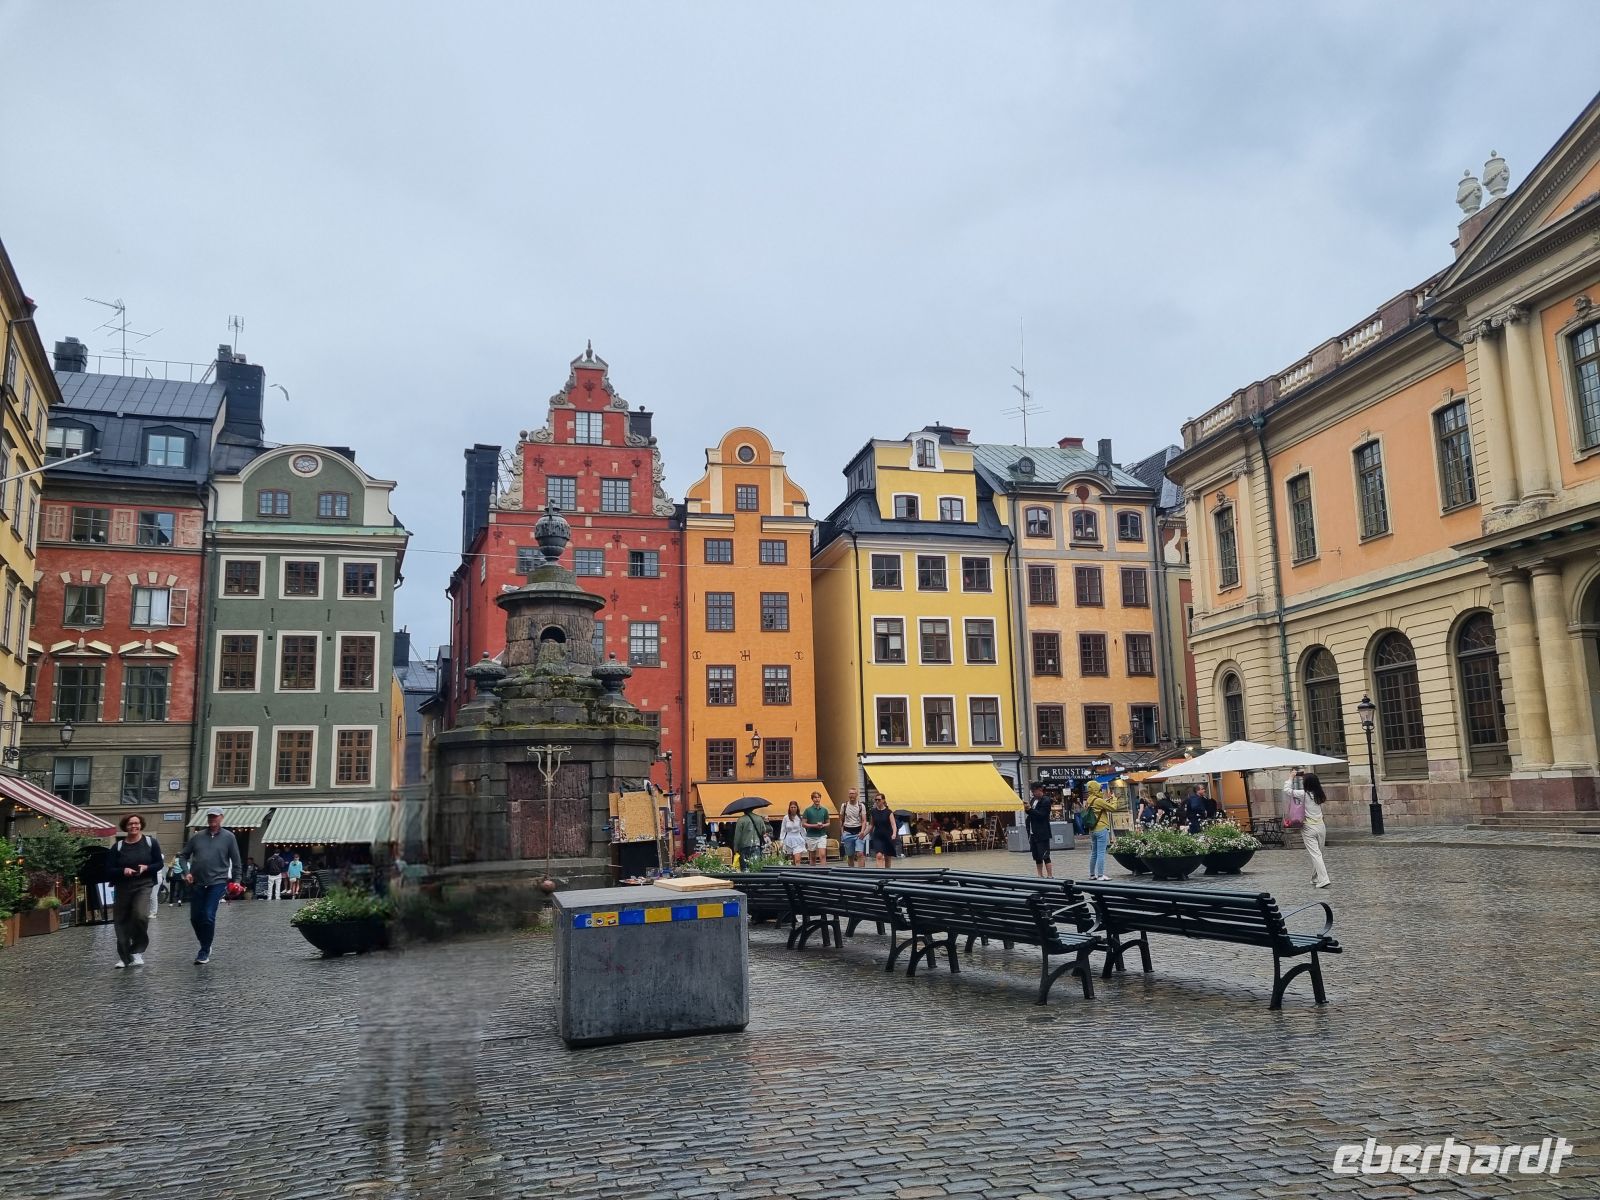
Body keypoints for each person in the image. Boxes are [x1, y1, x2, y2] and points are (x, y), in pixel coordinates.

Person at [178, 807, 243, 965]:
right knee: (195, 918)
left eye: (215, 816)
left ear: (221, 817)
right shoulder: (198, 836)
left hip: (218, 882)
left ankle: (204, 950)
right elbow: (183, 855)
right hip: (197, 882)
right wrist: (186, 872)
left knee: (207, 915)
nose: (212, 819)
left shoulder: (229, 837)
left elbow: (236, 861)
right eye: (210, 817)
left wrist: (237, 880)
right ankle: (205, 942)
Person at [107, 814, 164, 968]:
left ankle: (137, 950)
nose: (134, 826)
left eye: (137, 823)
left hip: (143, 884)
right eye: (131, 824)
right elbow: (109, 869)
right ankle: (124, 958)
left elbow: (159, 863)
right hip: (123, 886)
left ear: (141, 825)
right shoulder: (118, 847)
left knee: (140, 915)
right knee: (121, 921)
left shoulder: (150, 843)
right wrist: (122, 870)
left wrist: (147, 868)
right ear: (125, 826)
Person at [1286, 772, 1331, 889]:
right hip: (1321, 826)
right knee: (1318, 854)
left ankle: (1324, 879)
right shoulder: (1319, 794)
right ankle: (1315, 878)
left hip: (1308, 827)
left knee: (1316, 854)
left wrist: (1291, 777)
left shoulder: (1303, 794)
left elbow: (1287, 790)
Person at [1081, 781, 1117, 881]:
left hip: (1092, 829)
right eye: (1099, 788)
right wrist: (1114, 799)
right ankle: (1101, 875)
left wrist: (1106, 800)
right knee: (1101, 852)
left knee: (1094, 853)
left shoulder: (1089, 800)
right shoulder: (1098, 800)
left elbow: (1101, 806)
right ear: (1096, 789)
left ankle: (1092, 874)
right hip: (1101, 828)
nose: (1101, 790)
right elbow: (1113, 808)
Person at [1024, 785, 1054, 878]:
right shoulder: (1033, 800)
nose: (1033, 793)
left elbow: (1042, 815)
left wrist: (1030, 809)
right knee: (1037, 856)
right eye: (1032, 791)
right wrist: (1027, 809)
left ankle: (1050, 875)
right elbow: (1031, 813)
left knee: (1045, 855)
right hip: (1033, 832)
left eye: (1034, 791)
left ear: (1040, 790)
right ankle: (1040, 875)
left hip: (1042, 832)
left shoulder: (1046, 801)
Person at [839, 787, 867, 867]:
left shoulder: (861, 806)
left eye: (853, 793)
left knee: (860, 853)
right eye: (850, 793)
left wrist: (862, 831)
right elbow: (841, 820)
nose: (851, 795)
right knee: (850, 855)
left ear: (857, 795)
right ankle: (851, 872)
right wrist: (842, 833)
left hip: (858, 832)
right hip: (847, 832)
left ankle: (861, 873)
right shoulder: (844, 806)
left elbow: (864, 820)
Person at [801, 791, 831, 865]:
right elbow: (803, 824)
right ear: (812, 799)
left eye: (818, 797)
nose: (817, 799)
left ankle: (824, 872)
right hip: (811, 836)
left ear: (820, 798)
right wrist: (814, 826)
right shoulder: (808, 810)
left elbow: (828, 823)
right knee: (812, 857)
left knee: (823, 854)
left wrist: (823, 825)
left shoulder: (824, 810)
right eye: (815, 797)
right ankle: (813, 872)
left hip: (822, 835)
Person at [867, 794, 897, 868]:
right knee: (879, 856)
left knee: (887, 857)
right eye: (876, 800)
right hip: (877, 836)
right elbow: (871, 825)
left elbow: (893, 824)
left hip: (887, 836)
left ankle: (887, 873)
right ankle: (880, 874)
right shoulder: (873, 812)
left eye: (879, 800)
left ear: (883, 800)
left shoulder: (889, 812)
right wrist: (863, 834)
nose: (877, 801)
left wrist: (894, 834)